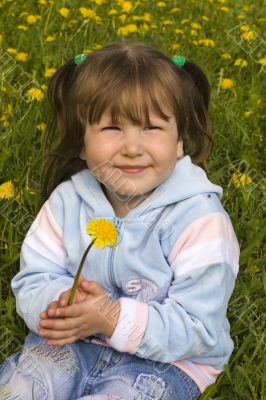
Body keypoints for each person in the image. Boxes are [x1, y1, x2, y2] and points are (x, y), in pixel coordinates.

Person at [0, 41, 239, 400]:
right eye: (112, 127)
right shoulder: (68, 202)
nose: (131, 146)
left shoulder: (199, 219)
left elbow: (198, 327)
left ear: (179, 142)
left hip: (166, 362)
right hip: (71, 345)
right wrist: (59, 302)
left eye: (152, 128)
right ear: (82, 142)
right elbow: (35, 276)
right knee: (20, 388)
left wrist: (112, 317)